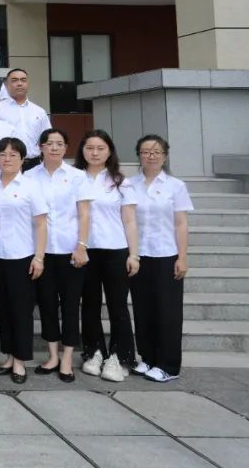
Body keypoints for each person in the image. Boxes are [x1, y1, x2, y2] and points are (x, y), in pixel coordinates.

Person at [126, 135, 193, 383]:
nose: (151, 156)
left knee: (168, 311)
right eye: (145, 151)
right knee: (143, 309)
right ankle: (148, 358)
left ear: (165, 156)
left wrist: (182, 257)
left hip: (167, 254)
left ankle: (169, 365)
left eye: (156, 152)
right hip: (139, 254)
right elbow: (128, 219)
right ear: (139, 155)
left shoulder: (176, 186)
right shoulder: (130, 184)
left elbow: (181, 223)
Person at [76, 129, 140, 383]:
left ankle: (119, 357)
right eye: (89, 148)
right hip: (84, 251)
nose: (94, 153)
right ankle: (94, 352)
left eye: (100, 148)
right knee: (89, 305)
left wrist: (134, 254)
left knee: (117, 306)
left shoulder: (121, 182)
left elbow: (130, 220)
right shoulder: (75, 178)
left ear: (110, 151)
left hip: (115, 249)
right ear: (82, 151)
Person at [26, 128, 88, 382]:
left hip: (70, 251)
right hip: (40, 252)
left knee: (70, 305)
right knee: (47, 305)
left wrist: (82, 245)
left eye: (59, 144)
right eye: (49, 143)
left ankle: (67, 358)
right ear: (40, 147)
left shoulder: (77, 176)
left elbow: (84, 213)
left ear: (66, 148)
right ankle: (52, 356)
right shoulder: (29, 176)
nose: (54, 148)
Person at [0, 137, 48, 384]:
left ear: (23, 159)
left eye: (13, 155)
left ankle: (20, 361)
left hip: (22, 257)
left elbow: (41, 224)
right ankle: (9, 356)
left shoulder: (30, 186)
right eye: (2, 154)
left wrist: (39, 257)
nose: (7, 159)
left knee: (21, 311)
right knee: (2, 309)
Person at [0, 69, 52, 163]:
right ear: (6, 85)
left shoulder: (39, 111)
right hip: (7, 163)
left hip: (34, 163)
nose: (19, 83)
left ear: (28, 83)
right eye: (14, 80)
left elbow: (47, 139)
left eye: (23, 80)